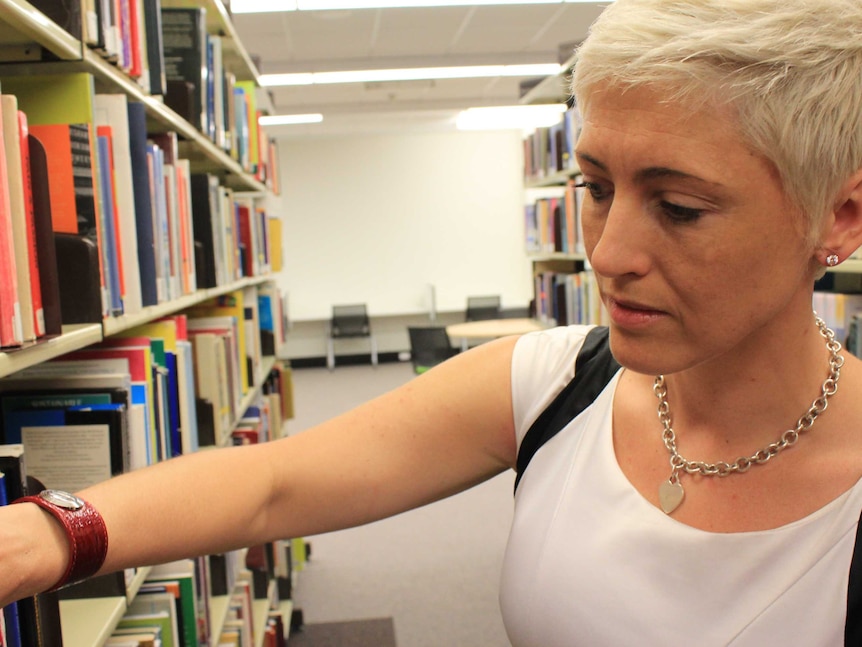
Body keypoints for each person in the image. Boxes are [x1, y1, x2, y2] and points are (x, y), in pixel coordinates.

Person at [3, 0, 862, 643]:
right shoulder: (555, 384)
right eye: (596, 188)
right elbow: (275, 484)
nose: (608, 252)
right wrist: (51, 531)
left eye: (677, 206)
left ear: (842, 216)